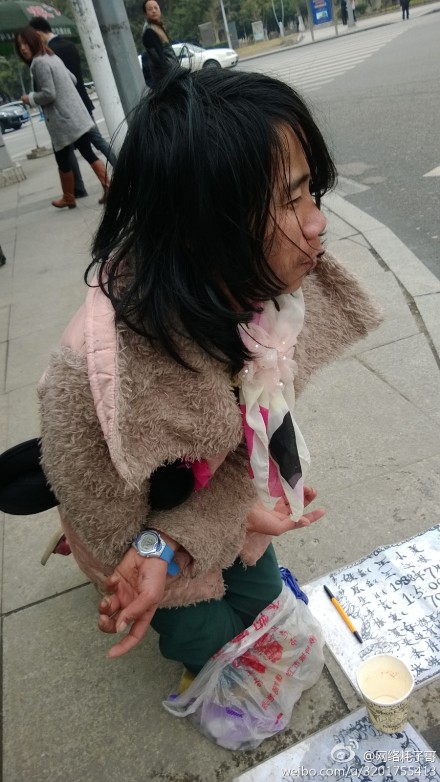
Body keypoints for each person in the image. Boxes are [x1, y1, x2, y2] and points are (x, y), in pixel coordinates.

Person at [37, 67, 381, 704]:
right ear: (203, 229)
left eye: (312, 192)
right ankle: (198, 654)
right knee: (205, 635)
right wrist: (157, 552)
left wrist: (238, 508)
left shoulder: (263, 302)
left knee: (263, 599)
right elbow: (110, 523)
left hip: (208, 497)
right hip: (135, 524)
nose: (317, 224)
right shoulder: (93, 385)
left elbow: (241, 443)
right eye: (290, 201)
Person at [15, 27, 110, 210]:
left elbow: (49, 94)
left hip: (62, 119)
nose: (23, 48)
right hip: (75, 114)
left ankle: (69, 197)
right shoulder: (51, 56)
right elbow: (72, 79)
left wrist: (30, 98)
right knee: (85, 152)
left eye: (26, 43)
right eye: (20, 46)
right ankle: (102, 187)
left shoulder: (39, 63)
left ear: (34, 41)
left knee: (64, 159)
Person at [141, 0, 177, 87]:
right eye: (150, 9)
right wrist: (170, 77)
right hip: (166, 78)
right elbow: (157, 58)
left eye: (156, 8)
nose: (154, 11)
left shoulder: (157, 26)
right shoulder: (149, 31)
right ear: (145, 14)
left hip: (172, 73)